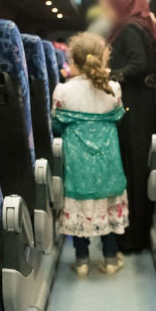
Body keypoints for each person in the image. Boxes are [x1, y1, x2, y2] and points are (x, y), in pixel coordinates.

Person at [52, 33, 128, 276]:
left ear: (72, 60)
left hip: (77, 166)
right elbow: (118, 119)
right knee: (105, 205)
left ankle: (82, 261)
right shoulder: (113, 89)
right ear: (102, 57)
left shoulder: (63, 91)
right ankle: (110, 259)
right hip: (107, 164)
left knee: (80, 208)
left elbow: (56, 125)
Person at [98, 0, 156, 252]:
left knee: (132, 168)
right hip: (139, 105)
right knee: (135, 167)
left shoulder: (132, 28)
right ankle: (133, 235)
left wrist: (106, 75)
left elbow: (139, 65)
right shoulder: (138, 24)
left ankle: (132, 238)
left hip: (134, 106)